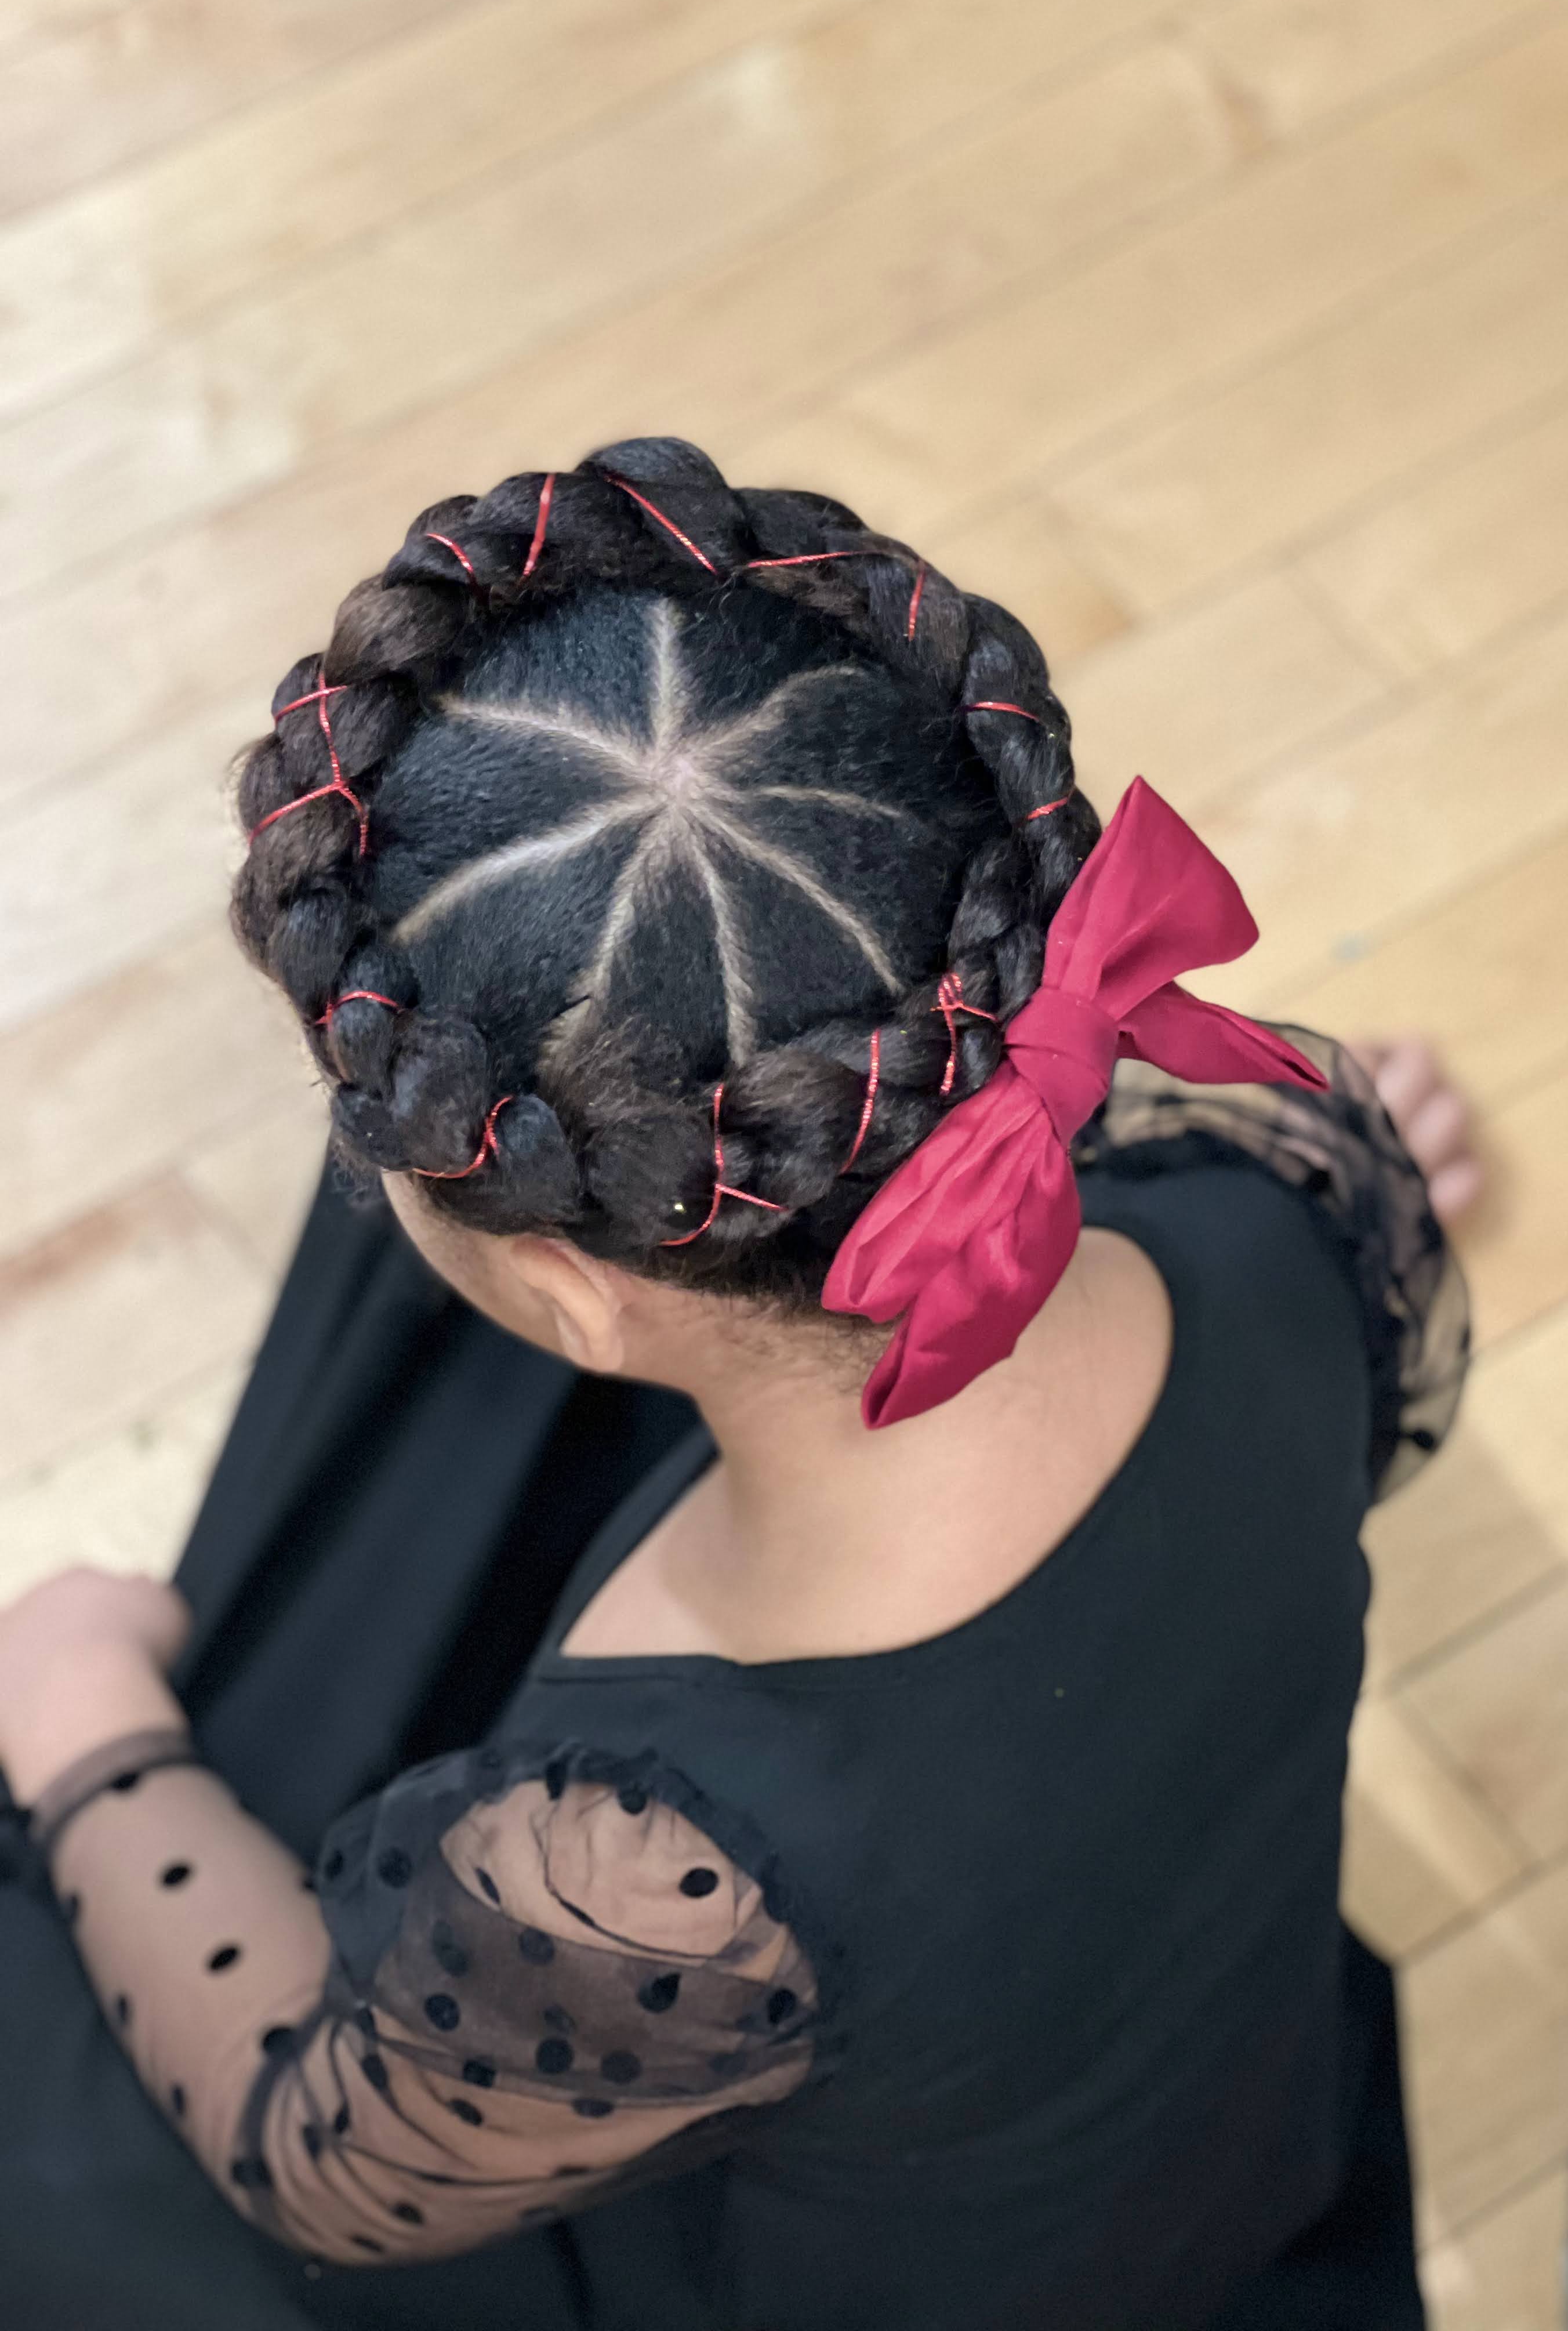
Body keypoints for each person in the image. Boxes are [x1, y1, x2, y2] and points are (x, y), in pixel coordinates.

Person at [0, 437, 1475, 2330]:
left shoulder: (658, 1876)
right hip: (1196, 2102)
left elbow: (332, 2160)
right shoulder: (1302, 1186)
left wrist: (88, 1733)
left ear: (571, 1293)